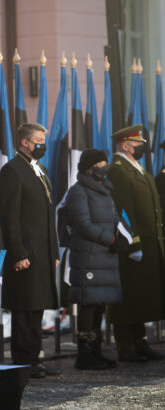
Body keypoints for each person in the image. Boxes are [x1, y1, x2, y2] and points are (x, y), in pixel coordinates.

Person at [0, 122, 60, 379]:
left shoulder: (39, 169)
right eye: (39, 140)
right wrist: (18, 252)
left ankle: (35, 358)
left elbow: (47, 215)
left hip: (43, 251)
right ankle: (24, 361)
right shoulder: (12, 171)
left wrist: (54, 251)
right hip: (26, 251)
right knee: (24, 308)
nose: (42, 145)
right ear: (25, 142)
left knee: (37, 307)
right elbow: (10, 216)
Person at [106, 124, 165, 362]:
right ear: (125, 145)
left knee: (142, 295)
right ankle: (126, 345)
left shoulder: (137, 168)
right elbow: (122, 210)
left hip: (149, 242)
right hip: (132, 242)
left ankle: (140, 340)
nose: (141, 147)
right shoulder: (118, 170)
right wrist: (133, 242)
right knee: (128, 295)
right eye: (138, 144)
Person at [66, 149, 127, 370]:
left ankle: (97, 351)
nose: (104, 166)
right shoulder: (79, 191)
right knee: (88, 304)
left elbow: (113, 217)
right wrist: (110, 239)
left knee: (99, 303)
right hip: (89, 255)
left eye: (105, 162)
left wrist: (122, 235)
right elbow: (83, 224)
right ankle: (84, 354)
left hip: (105, 255)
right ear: (88, 167)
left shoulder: (105, 190)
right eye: (100, 163)